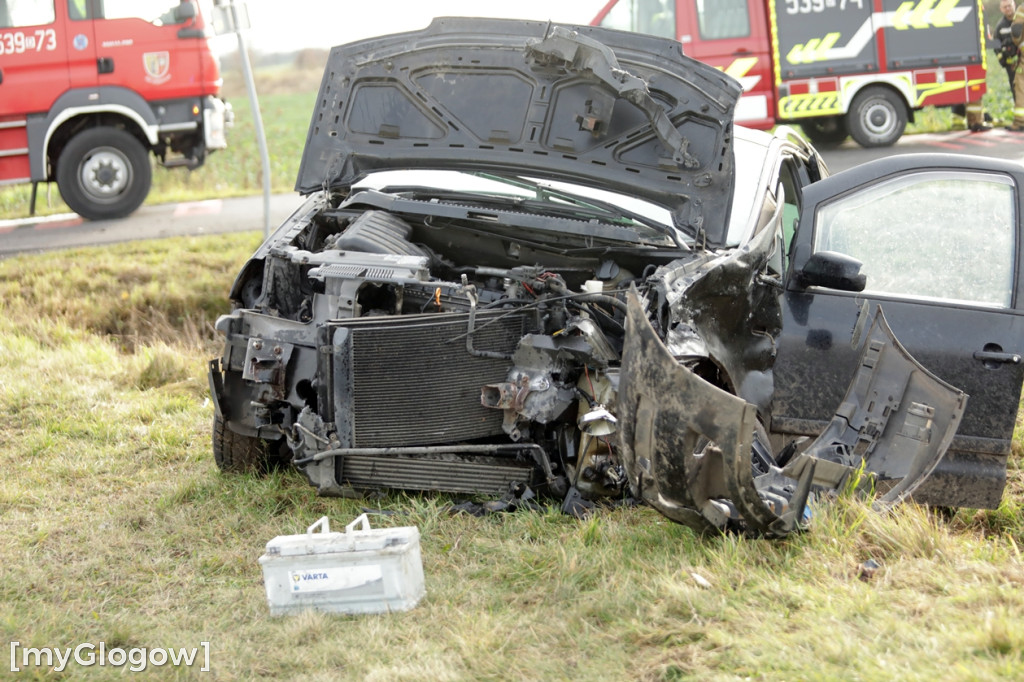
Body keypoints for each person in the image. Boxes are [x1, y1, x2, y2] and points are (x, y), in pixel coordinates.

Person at [995, 0, 1019, 93]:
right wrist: (1003, 61)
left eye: (1009, 5)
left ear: (1014, 5)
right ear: (1001, 9)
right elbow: (997, 48)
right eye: (1005, 7)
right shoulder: (1000, 27)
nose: (1008, 8)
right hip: (1012, 68)